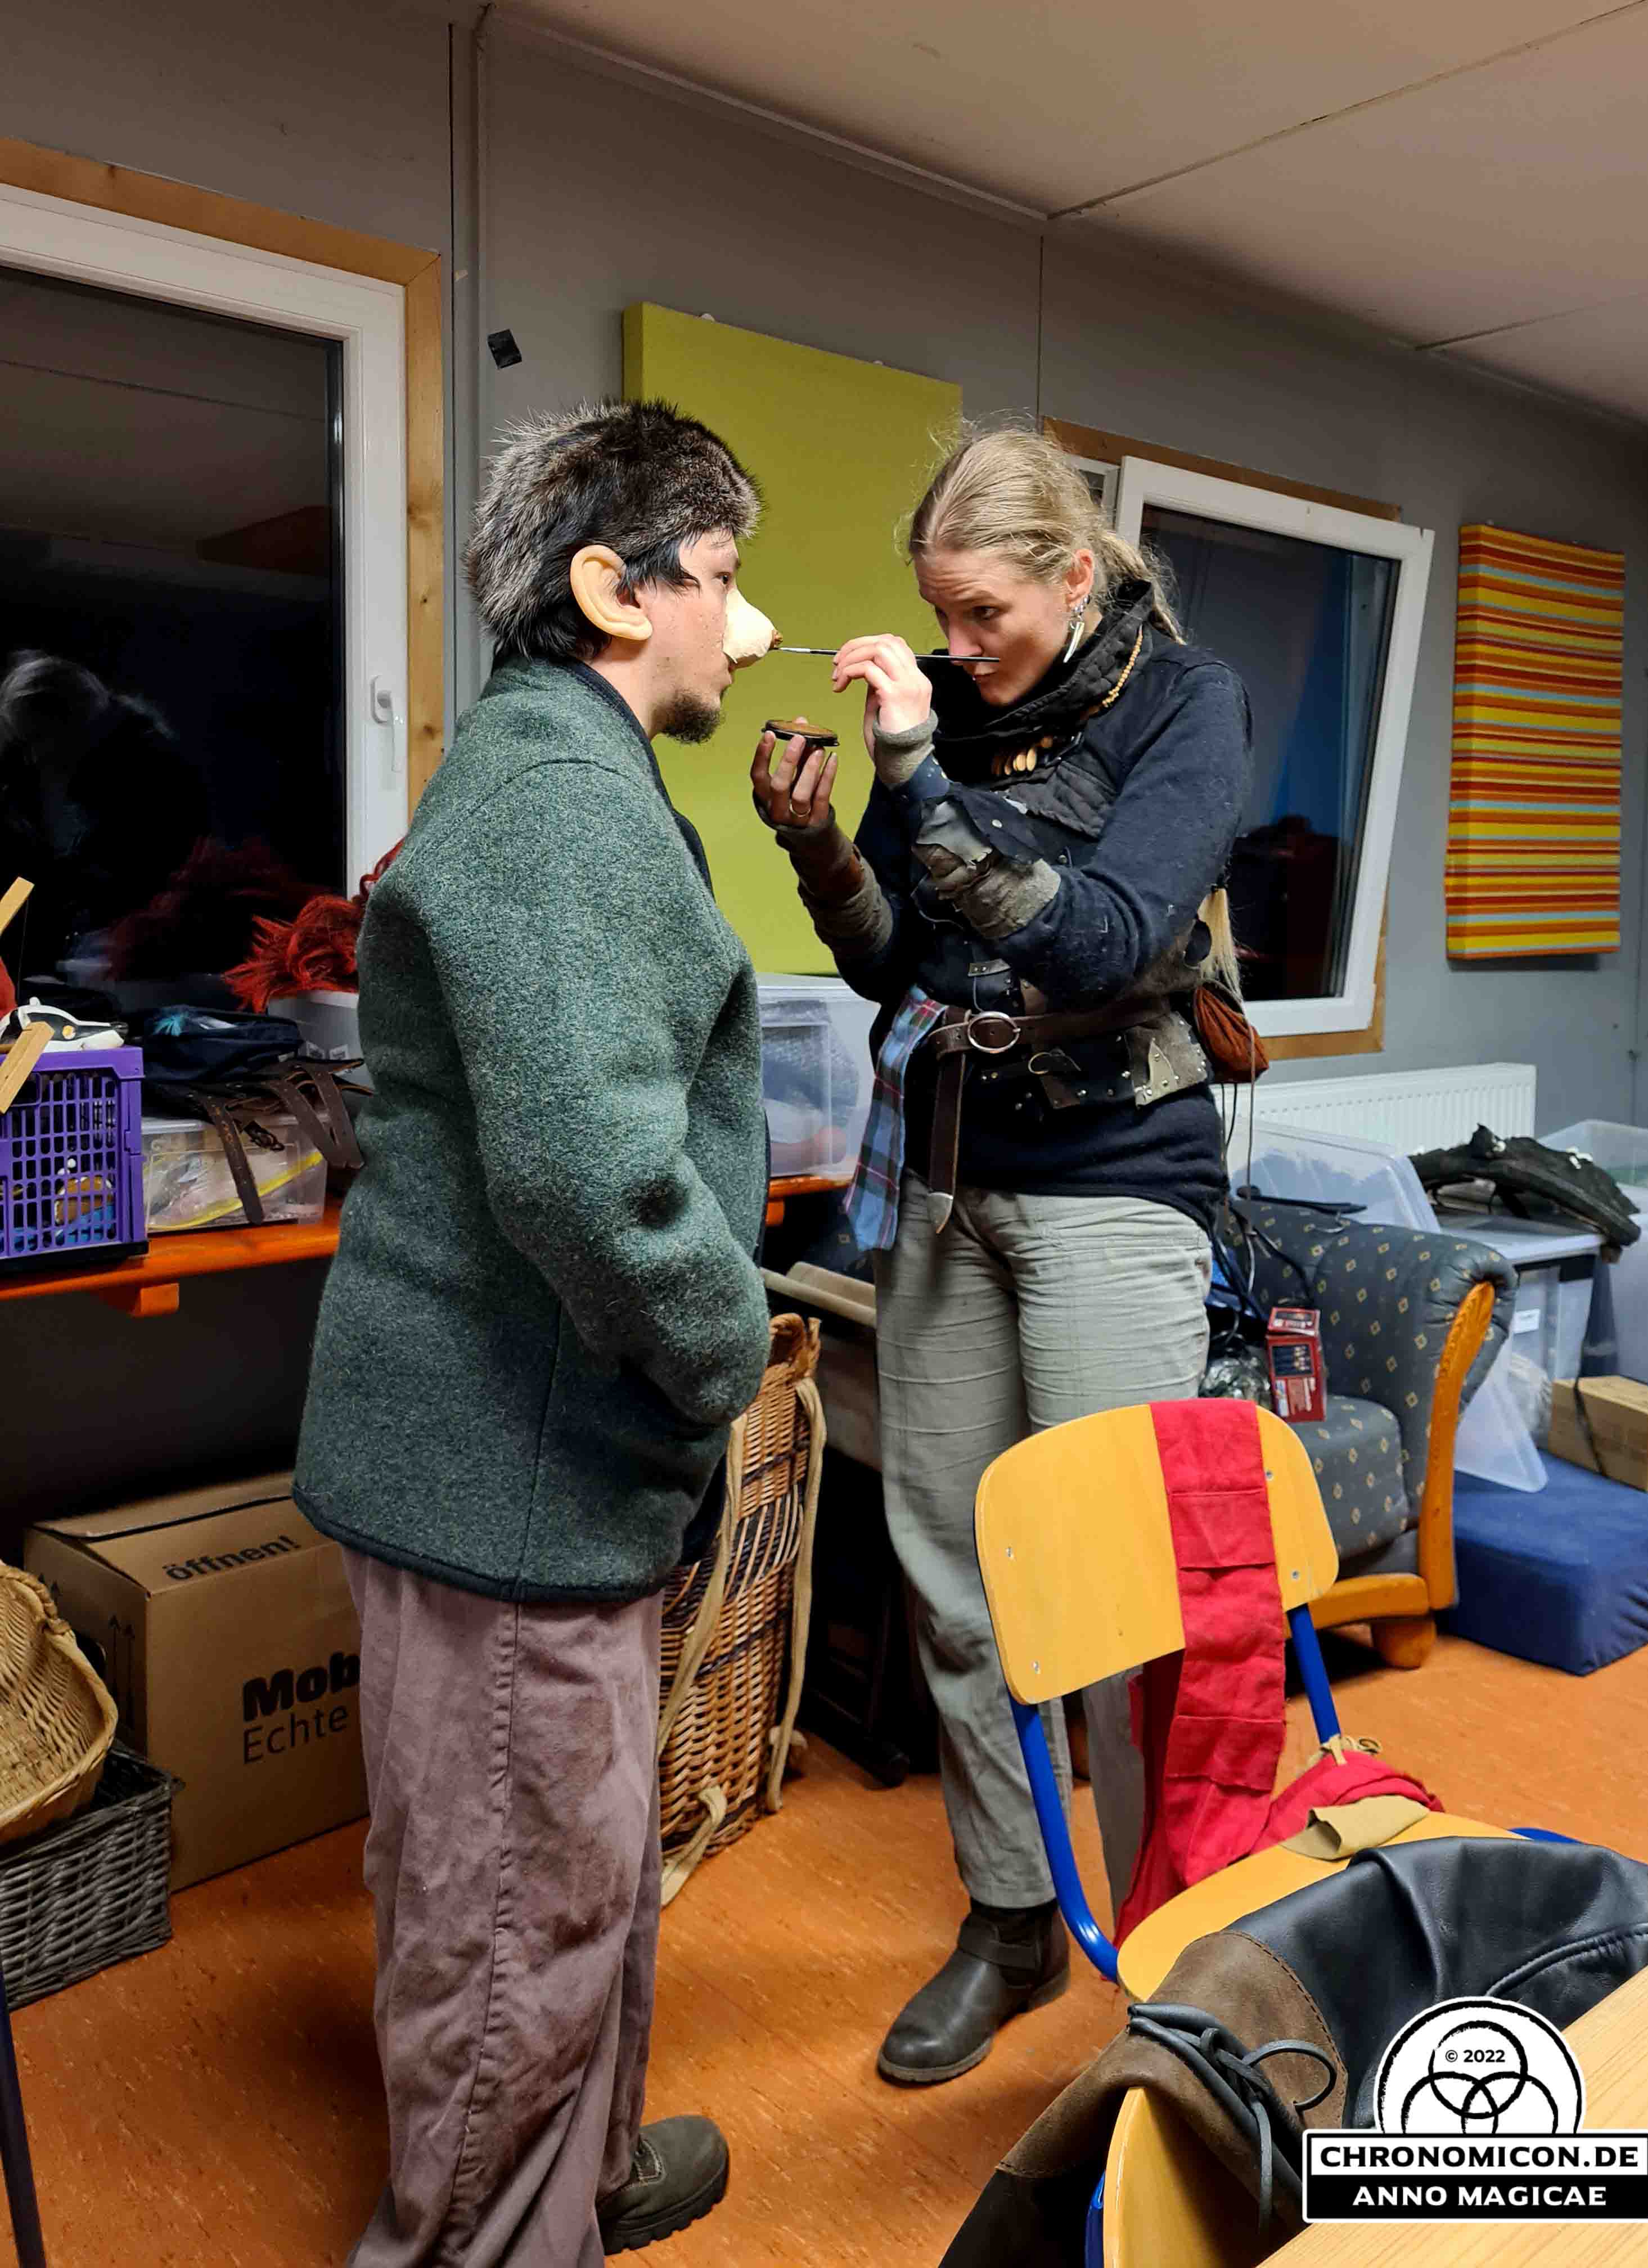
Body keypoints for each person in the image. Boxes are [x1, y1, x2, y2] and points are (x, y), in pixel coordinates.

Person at [295, 399, 779, 2265]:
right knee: (514, 1923)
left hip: (540, 1456)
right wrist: (727, 1354)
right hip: (510, 1472)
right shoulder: (562, 804)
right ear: (612, 587)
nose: (749, 628)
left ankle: (581, 2178)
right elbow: (589, 1177)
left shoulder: (561, 771)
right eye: (721, 577)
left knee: (574, 1873)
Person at [751, 425, 1252, 2087]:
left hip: (1116, 1180)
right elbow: (898, 960)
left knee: (1116, 1587)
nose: (960, 648)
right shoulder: (955, 715)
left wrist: (910, 777)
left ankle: (1178, 1945)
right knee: (957, 1580)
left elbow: (1104, 941)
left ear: (1076, 575)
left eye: (987, 614)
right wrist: (825, 850)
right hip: (952, 1178)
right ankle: (1013, 1916)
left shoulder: (1188, 706)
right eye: (941, 617)